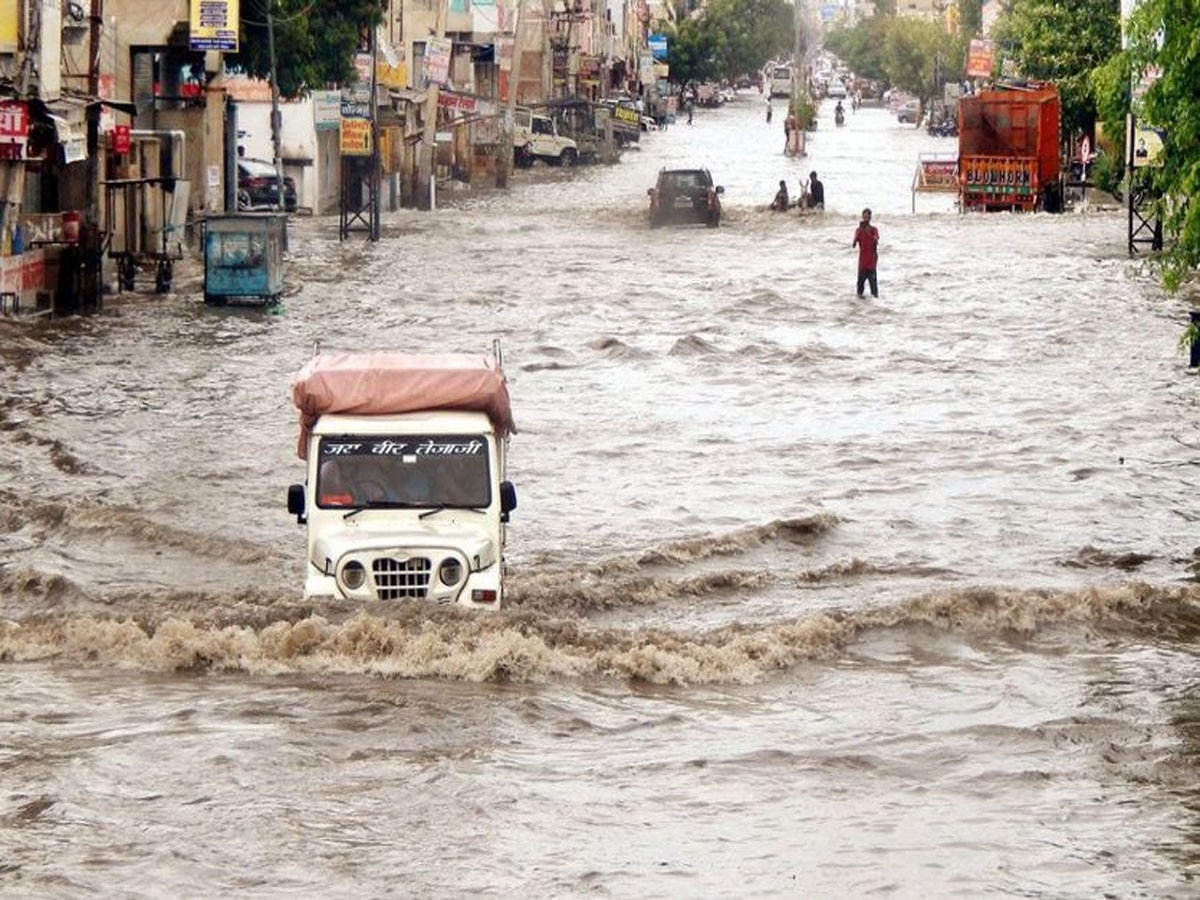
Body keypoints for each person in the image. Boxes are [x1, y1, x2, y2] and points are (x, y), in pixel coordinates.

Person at [852, 208, 880, 298]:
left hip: (871, 263)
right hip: (862, 263)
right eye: (864, 217)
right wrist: (858, 234)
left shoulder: (874, 230)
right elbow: (853, 244)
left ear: (870, 218)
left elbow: (876, 241)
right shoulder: (859, 230)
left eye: (867, 217)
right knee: (859, 290)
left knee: (874, 291)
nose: (866, 219)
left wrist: (868, 232)